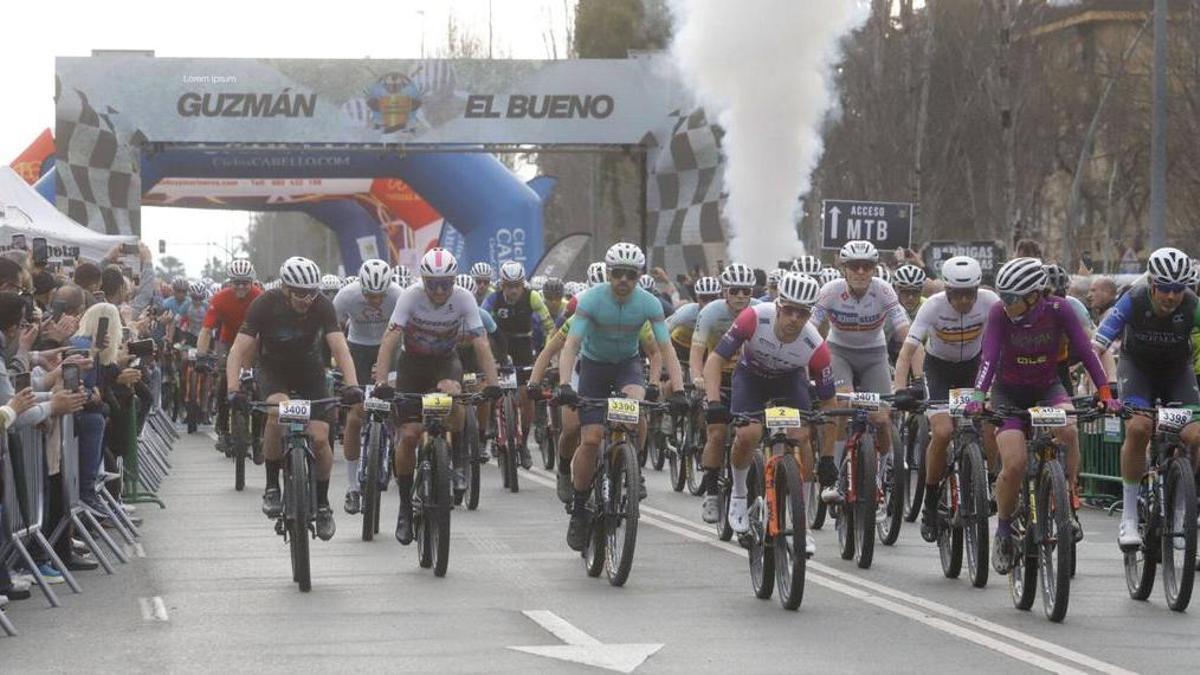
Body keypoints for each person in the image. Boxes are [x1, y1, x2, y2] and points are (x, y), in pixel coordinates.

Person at [968, 257, 1119, 574]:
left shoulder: (1059, 309)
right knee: (1015, 463)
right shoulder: (999, 314)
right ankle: (1005, 530)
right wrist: (979, 396)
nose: (1005, 304)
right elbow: (989, 356)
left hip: (1047, 388)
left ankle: (1068, 493)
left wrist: (1105, 392)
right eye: (1002, 296)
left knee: (1068, 429)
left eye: (1011, 298)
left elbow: (1087, 350)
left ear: (1034, 295)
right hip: (1008, 392)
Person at [556, 242, 686, 551]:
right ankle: (579, 506)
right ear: (609, 273)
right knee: (590, 439)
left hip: (627, 366)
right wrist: (564, 384)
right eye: (617, 274)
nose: (624, 280)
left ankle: (632, 466)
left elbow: (665, 349)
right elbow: (571, 344)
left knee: (635, 408)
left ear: (639, 275)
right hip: (594, 369)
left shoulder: (649, 303)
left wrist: (678, 389)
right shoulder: (591, 300)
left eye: (631, 274)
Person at [226, 256, 363, 542]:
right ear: (286, 289)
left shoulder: (322, 305)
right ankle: (272, 486)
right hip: (274, 369)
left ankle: (323, 504)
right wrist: (233, 388)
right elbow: (238, 350)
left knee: (321, 437)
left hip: (309, 370)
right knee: (278, 413)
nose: (307, 299)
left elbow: (340, 347)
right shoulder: (265, 303)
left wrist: (352, 385)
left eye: (312, 292)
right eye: (300, 293)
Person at [370, 248, 502, 544]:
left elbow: (481, 343)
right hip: (412, 366)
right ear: (424, 281)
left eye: (447, 283)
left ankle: (454, 463)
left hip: (445, 361)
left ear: (454, 281)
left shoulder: (464, 299)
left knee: (453, 400)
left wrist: (492, 384)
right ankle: (405, 508)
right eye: (434, 284)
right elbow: (390, 339)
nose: (440, 290)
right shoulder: (411, 296)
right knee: (409, 436)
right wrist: (381, 381)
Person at [702, 273, 836, 556]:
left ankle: (803, 523)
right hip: (751, 378)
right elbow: (715, 360)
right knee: (748, 433)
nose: (794, 319)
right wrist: (714, 402)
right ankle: (739, 494)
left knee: (801, 434)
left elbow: (829, 405)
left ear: (810, 314)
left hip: (789, 381)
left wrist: (827, 458)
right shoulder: (753, 317)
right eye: (788, 310)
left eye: (802, 313)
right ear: (777, 306)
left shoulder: (815, 346)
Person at [1092, 247, 1200, 549]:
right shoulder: (1134, 299)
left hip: (1177, 373)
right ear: (1152, 284)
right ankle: (1128, 515)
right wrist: (1102, 389)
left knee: (1195, 436)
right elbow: (1097, 346)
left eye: (1178, 289)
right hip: (1137, 370)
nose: (1171, 296)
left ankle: (1181, 506)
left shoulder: (1192, 304)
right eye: (1165, 288)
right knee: (1139, 428)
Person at [892, 257, 1000, 541]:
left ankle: (989, 482)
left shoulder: (990, 302)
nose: (964, 301)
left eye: (970, 294)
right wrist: (900, 390)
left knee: (989, 421)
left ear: (978, 290)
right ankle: (930, 500)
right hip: (938, 369)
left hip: (974, 368)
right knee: (942, 431)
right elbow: (907, 352)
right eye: (957, 295)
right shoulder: (932, 306)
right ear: (947, 291)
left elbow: (1003, 343)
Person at [812, 240, 909, 502]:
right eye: (854, 266)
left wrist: (914, 360)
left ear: (874, 268)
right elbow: (810, 329)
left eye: (867, 266)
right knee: (842, 401)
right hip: (838, 352)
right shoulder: (830, 291)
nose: (861, 272)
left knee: (880, 418)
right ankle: (836, 470)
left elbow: (904, 333)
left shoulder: (884, 290)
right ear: (844, 268)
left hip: (874, 355)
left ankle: (886, 469)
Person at [333, 259, 402, 514]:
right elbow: (330, 330)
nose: (375, 301)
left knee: (395, 402)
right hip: (358, 349)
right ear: (360, 287)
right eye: (369, 295)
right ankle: (352, 487)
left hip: (390, 347)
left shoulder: (398, 295)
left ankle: (396, 446)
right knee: (355, 415)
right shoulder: (345, 296)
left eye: (379, 296)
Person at [693, 263, 759, 524]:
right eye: (735, 291)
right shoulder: (711, 312)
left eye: (746, 291)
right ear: (725, 292)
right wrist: (697, 377)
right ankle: (711, 492)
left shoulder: (758, 311)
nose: (741, 296)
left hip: (749, 378)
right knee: (718, 433)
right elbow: (697, 350)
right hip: (718, 377)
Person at [481, 260, 556, 468]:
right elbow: (479, 327)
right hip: (501, 346)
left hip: (524, 346)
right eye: (508, 286)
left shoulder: (532, 297)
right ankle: (498, 428)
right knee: (497, 390)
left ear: (523, 284)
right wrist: (487, 354)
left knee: (526, 394)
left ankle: (522, 445)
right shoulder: (493, 299)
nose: (513, 291)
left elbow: (550, 327)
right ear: (501, 285)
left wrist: (547, 352)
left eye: (516, 286)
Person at [198, 259, 261, 454]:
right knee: (225, 379)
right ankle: (223, 428)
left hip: (254, 342)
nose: (241, 287)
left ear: (252, 282)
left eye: (245, 282)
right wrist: (201, 354)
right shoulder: (219, 299)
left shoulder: (260, 297)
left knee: (259, 385)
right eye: (237, 282)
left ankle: (258, 437)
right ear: (230, 282)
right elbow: (206, 330)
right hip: (227, 342)